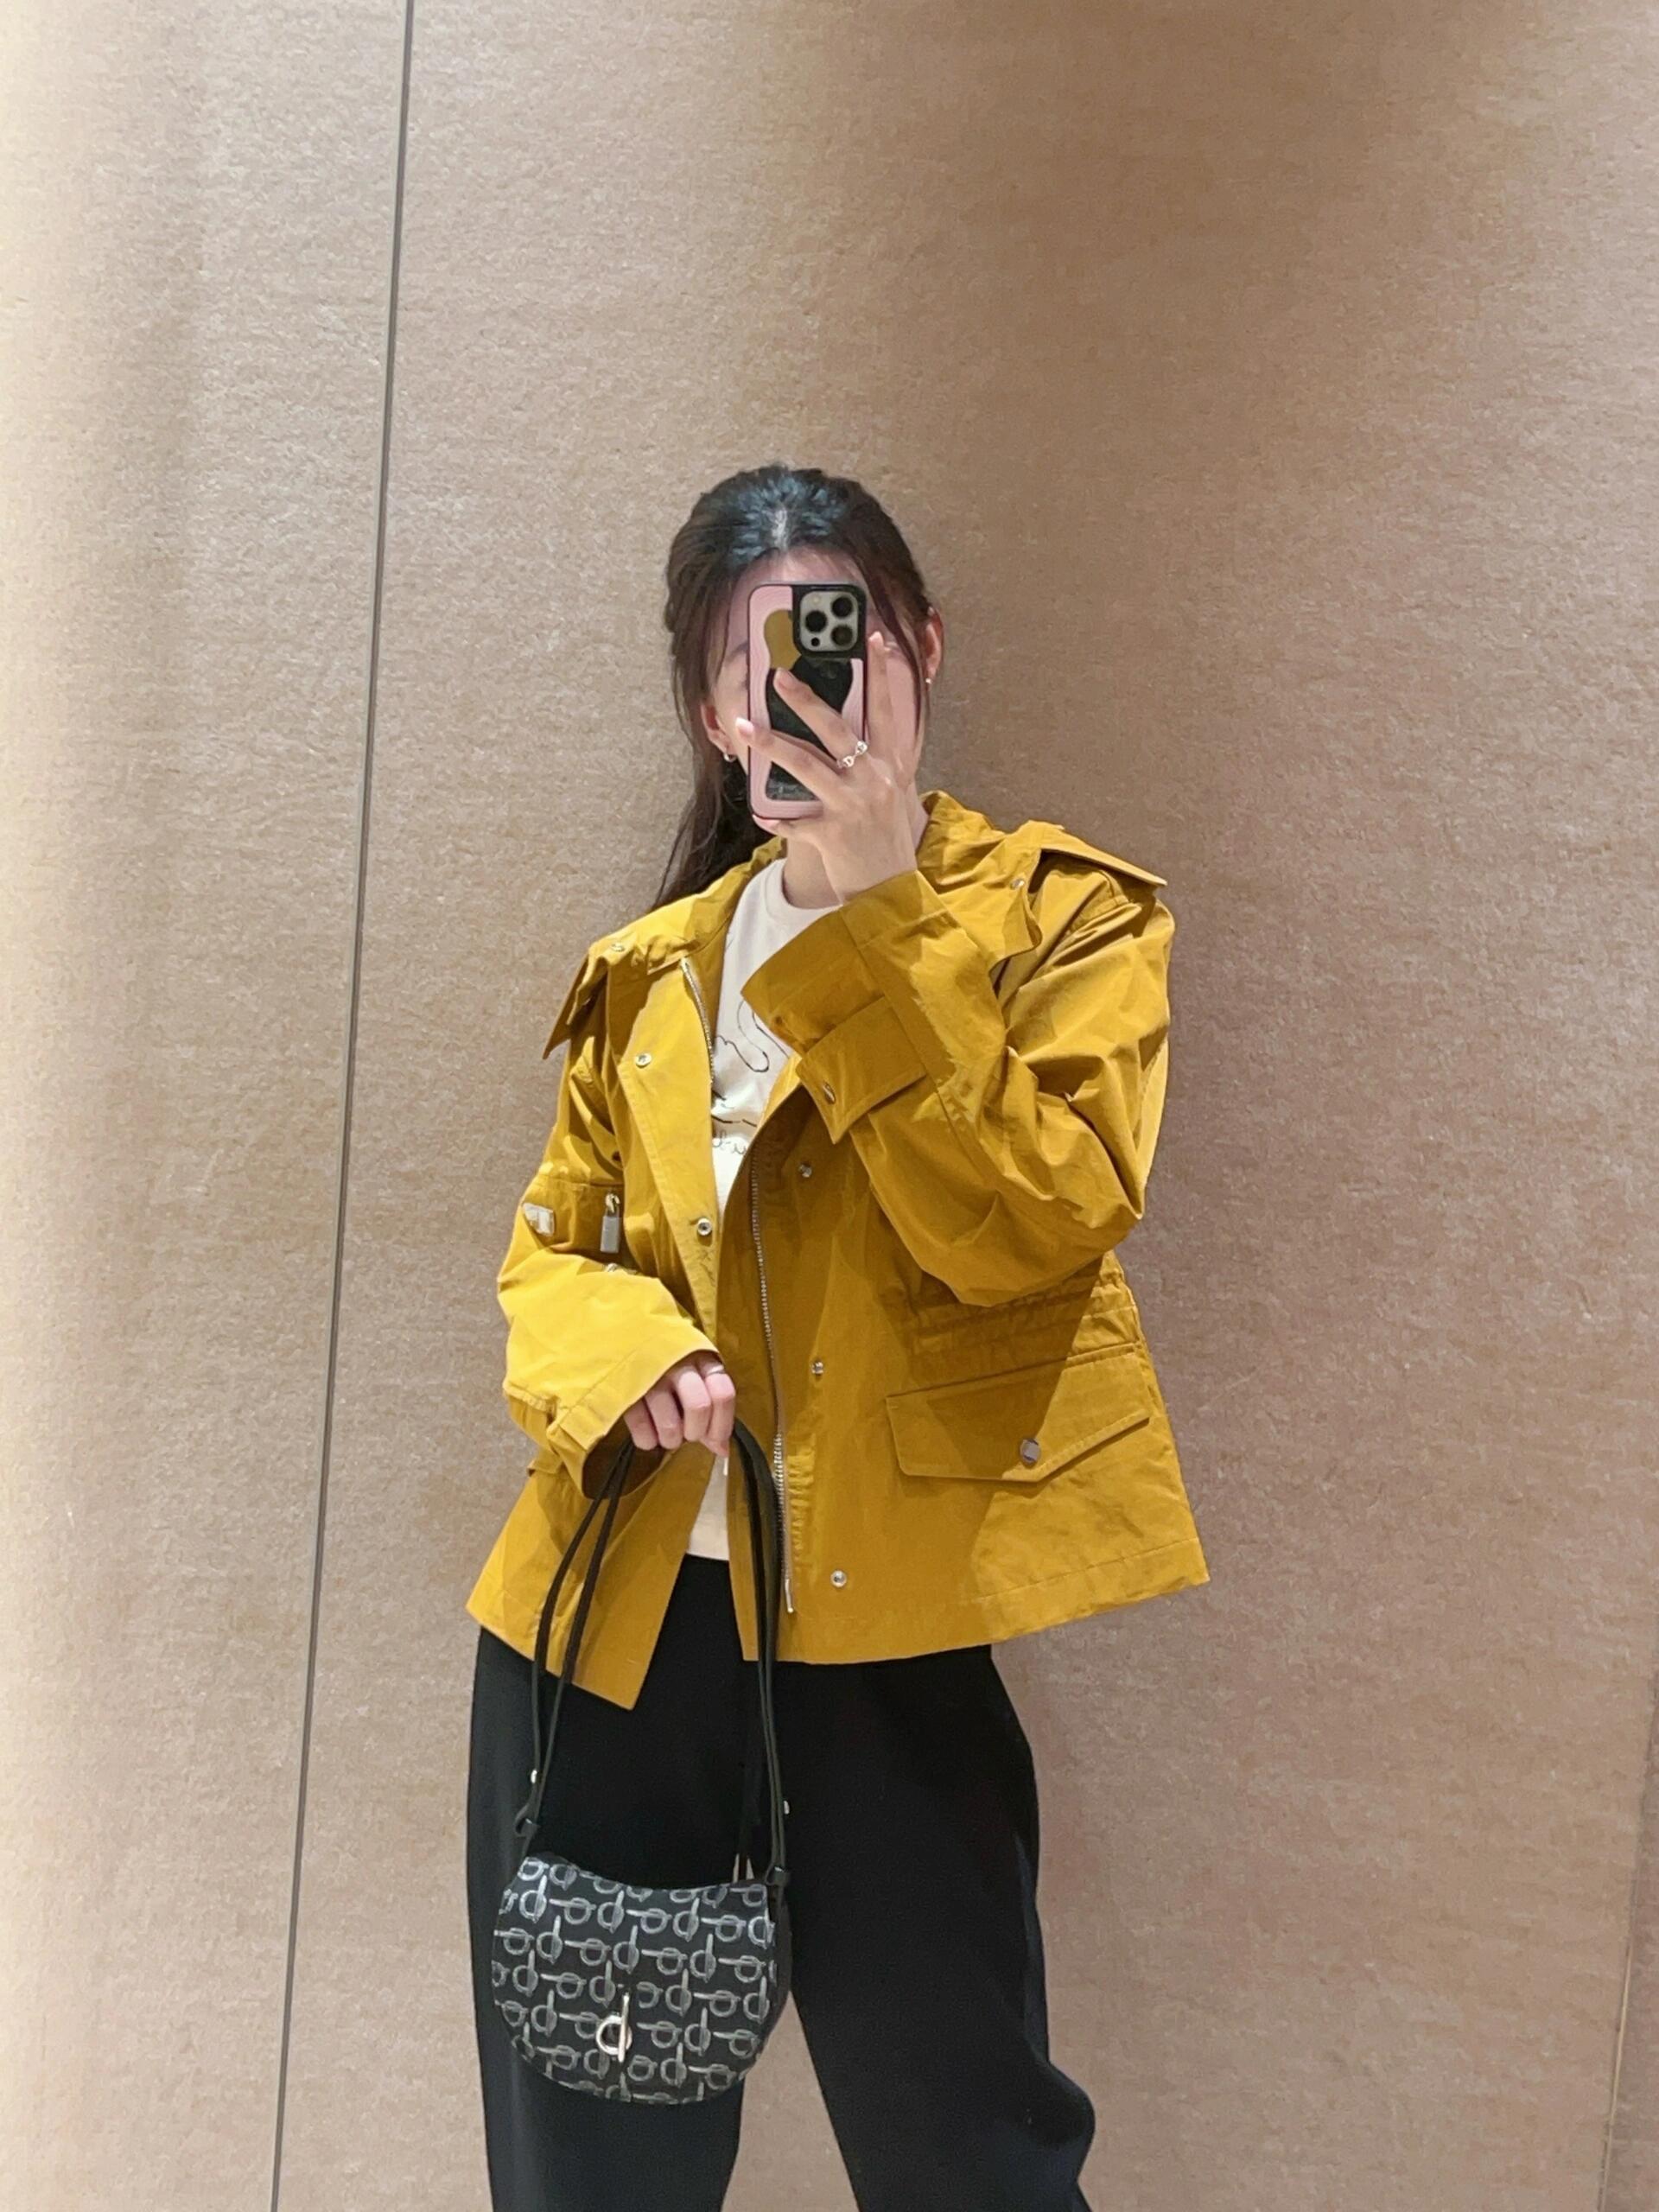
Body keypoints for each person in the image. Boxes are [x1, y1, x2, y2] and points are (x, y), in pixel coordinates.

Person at [463, 462, 1211, 2211]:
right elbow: (550, 1251)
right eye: (751, 668)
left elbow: (1024, 1227)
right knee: (591, 2169)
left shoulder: (1065, 923)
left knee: (974, 2159)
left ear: (923, 649)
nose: (795, 694)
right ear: (712, 715)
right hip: (612, 1641)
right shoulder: (651, 972)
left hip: (895, 1643)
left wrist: (881, 914)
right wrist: (629, 1359)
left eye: (833, 643)